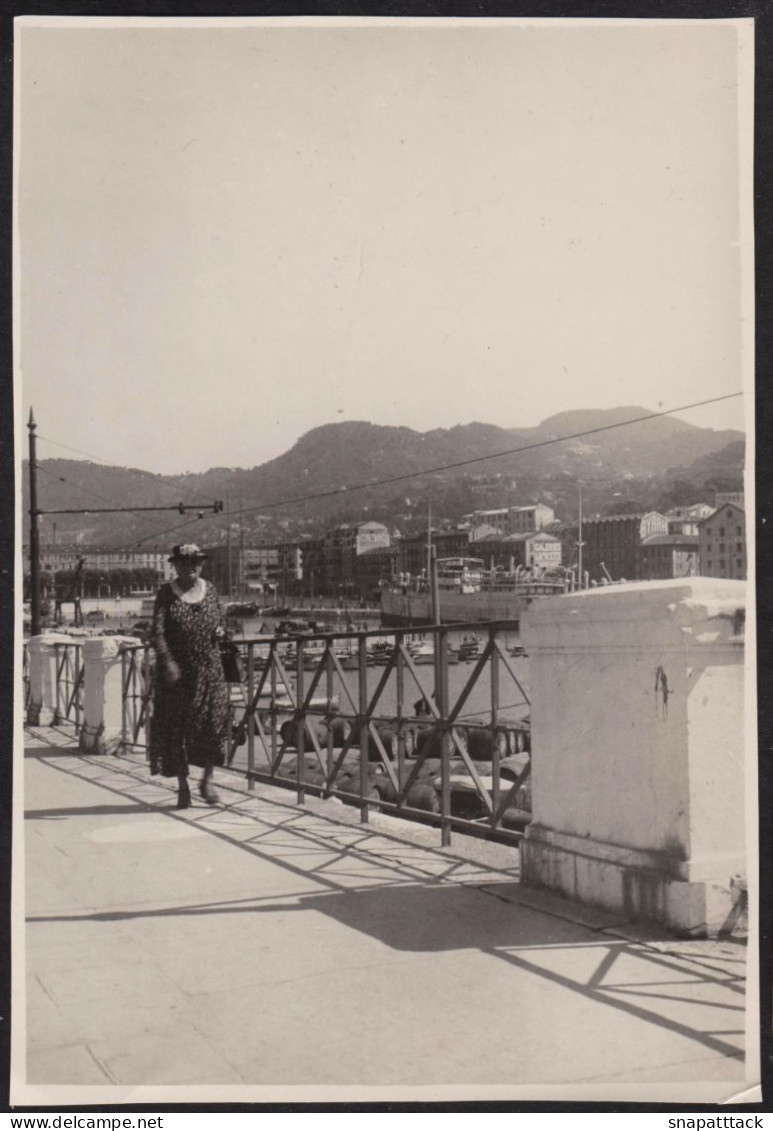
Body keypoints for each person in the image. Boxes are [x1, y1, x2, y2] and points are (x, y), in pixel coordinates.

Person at [149, 543, 229, 808]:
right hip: (178, 676)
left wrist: (221, 631)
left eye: (196, 561)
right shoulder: (166, 594)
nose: (191, 566)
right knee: (178, 729)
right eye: (185, 562)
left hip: (211, 671)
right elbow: (157, 633)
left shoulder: (211, 590)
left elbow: (222, 622)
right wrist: (168, 662)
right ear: (175, 565)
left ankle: (207, 779)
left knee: (214, 725)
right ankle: (183, 785)